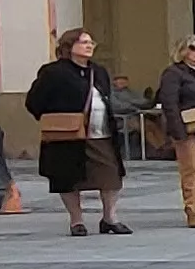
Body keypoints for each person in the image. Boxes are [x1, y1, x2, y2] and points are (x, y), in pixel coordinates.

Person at [27, 27, 130, 236]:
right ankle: (76, 221)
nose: (89, 46)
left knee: (111, 175)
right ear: (69, 46)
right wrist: (57, 119)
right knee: (68, 177)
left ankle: (110, 218)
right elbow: (34, 101)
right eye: (84, 42)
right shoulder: (53, 72)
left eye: (91, 42)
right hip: (67, 136)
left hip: (101, 132)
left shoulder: (98, 71)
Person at [157, 35, 195, 228]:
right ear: (183, 51)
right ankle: (192, 210)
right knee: (191, 170)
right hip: (185, 127)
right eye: (193, 48)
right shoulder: (174, 73)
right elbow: (169, 102)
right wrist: (177, 130)